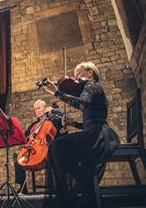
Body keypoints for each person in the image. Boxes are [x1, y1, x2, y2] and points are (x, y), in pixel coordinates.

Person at [43, 61, 120, 207]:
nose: (75, 77)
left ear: (90, 72)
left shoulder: (93, 85)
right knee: (59, 147)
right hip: (94, 132)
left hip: (100, 135)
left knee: (57, 146)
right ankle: (85, 180)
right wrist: (75, 124)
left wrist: (56, 92)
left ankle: (81, 181)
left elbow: (82, 104)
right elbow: (90, 121)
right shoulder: (90, 89)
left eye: (78, 73)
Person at [13, 99, 71, 195]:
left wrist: (53, 110)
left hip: (49, 152)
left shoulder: (54, 120)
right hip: (35, 151)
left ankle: (62, 188)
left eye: (39, 108)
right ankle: (23, 189)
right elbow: (25, 138)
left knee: (58, 154)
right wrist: (19, 142)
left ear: (45, 108)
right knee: (17, 155)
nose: (38, 111)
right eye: (35, 109)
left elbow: (68, 117)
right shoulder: (33, 126)